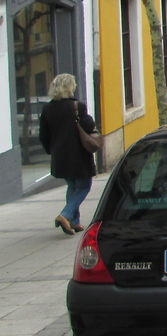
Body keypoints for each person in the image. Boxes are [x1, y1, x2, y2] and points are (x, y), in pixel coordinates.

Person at [38, 73, 97, 235]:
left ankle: (74, 221)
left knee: (72, 186)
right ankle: (65, 215)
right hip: (78, 155)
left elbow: (43, 135)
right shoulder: (77, 106)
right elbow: (89, 126)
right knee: (84, 186)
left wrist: (51, 150)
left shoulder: (47, 108)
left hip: (60, 156)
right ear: (70, 87)